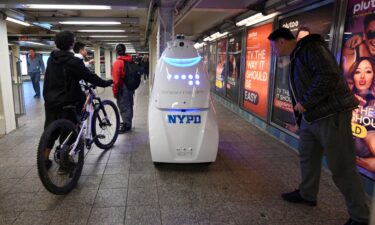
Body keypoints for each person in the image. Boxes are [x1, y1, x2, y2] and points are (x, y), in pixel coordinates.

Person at [268, 27, 369, 225]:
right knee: (307, 156)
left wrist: (305, 102)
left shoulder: (311, 48)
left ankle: (360, 217)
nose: (274, 51)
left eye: (273, 47)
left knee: (342, 167)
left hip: (330, 115)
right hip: (311, 117)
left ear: (281, 41)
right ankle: (307, 194)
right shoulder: (297, 55)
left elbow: (329, 76)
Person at [43, 31, 113, 170]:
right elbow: (89, 76)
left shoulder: (52, 58)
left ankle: (44, 161)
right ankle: (65, 164)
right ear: (72, 44)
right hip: (68, 102)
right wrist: (106, 83)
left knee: (51, 131)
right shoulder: (73, 61)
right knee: (69, 131)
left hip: (50, 101)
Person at [346, 57, 375, 172]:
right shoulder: (345, 99)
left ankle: (360, 162)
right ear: (353, 76)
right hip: (351, 142)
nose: (362, 76)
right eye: (358, 72)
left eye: (368, 71)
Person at [112, 44, 134, 133]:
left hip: (122, 88)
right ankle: (128, 123)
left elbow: (116, 80)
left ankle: (126, 125)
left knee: (124, 107)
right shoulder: (130, 60)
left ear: (117, 51)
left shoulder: (118, 62)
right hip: (130, 87)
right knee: (129, 106)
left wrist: (115, 91)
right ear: (124, 50)